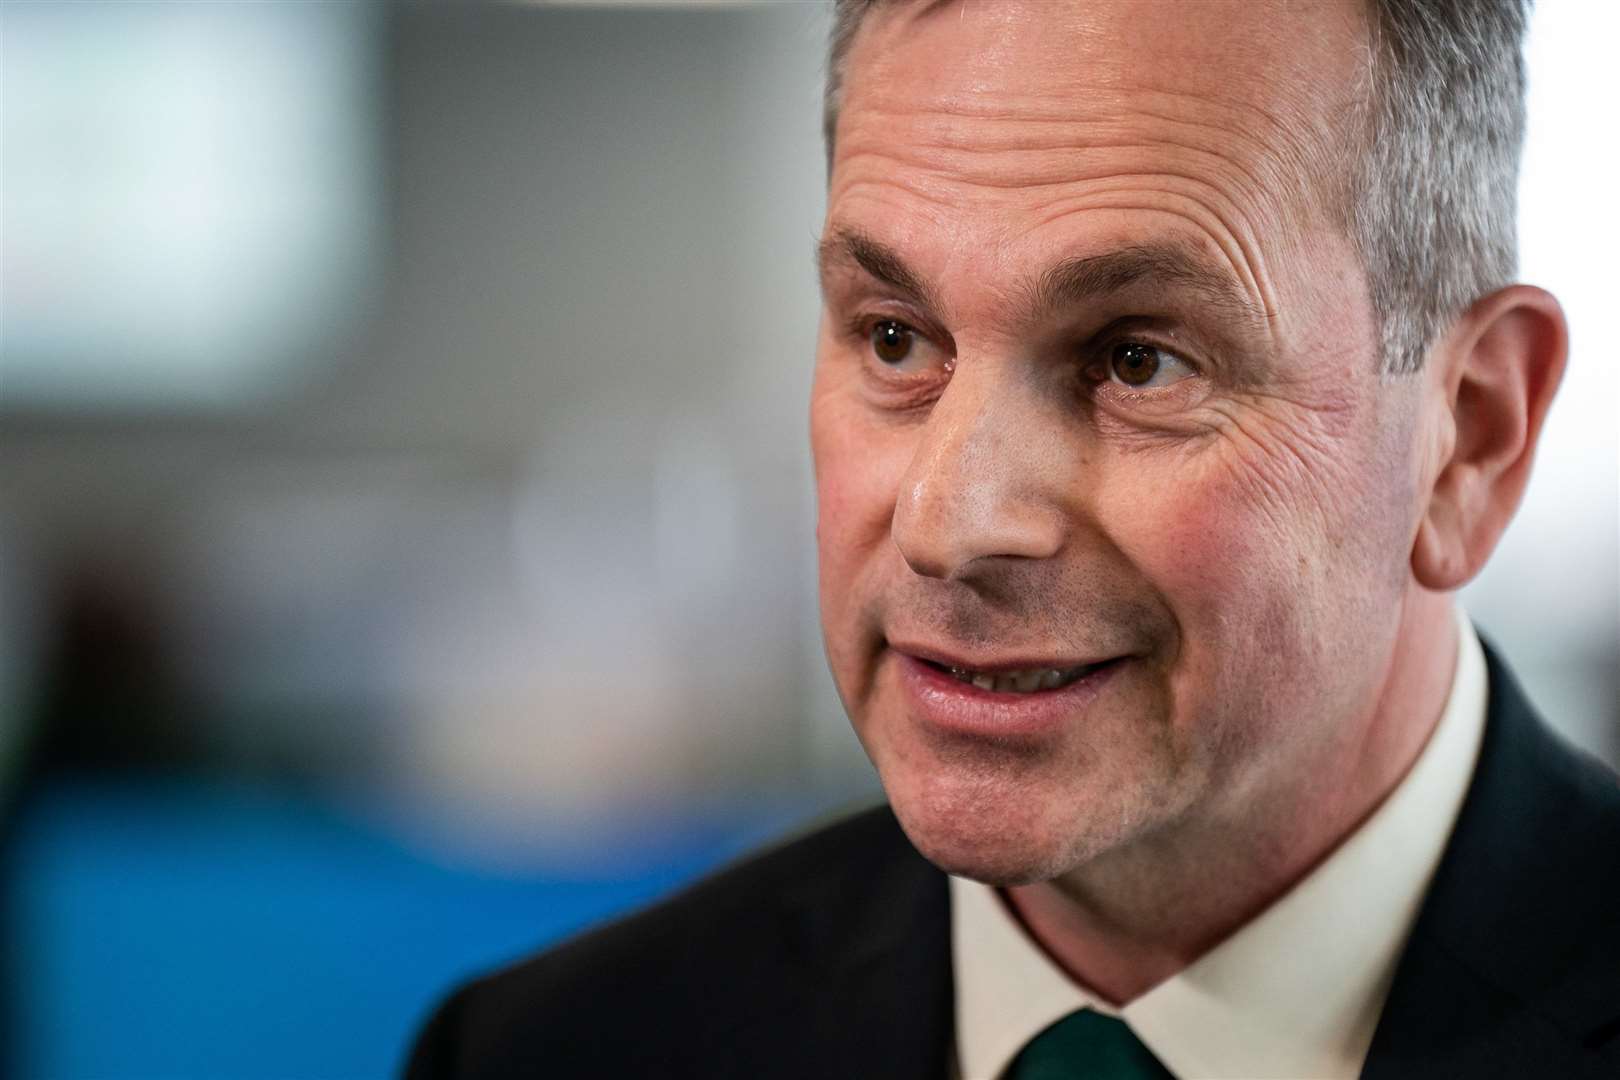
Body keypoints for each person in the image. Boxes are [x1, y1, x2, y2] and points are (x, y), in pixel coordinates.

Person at [407, 1, 1620, 1076]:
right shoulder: (553, 1051)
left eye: (1138, 360)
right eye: (895, 339)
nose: (949, 524)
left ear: (1469, 435)